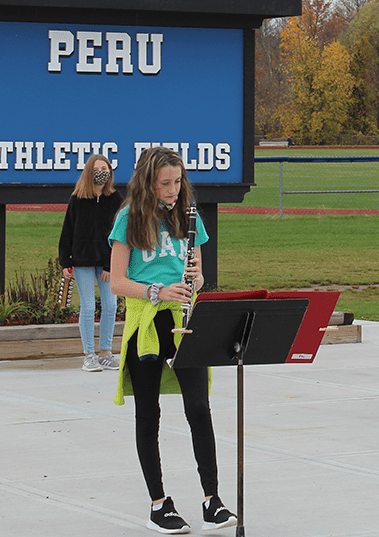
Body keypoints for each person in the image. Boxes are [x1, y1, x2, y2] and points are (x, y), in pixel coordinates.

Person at [109, 146, 237, 534]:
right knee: (149, 414)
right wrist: (156, 291)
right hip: (147, 324)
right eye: (165, 183)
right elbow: (116, 282)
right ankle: (158, 503)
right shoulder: (127, 218)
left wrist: (194, 280)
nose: (173, 189)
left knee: (199, 408)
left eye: (178, 181)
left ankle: (212, 499)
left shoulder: (188, 215)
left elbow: (197, 275)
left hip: (185, 323)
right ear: (148, 182)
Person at [58, 153, 123, 372]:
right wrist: (64, 261)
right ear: (88, 172)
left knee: (111, 305)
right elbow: (68, 229)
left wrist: (109, 265)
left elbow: (119, 234)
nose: (101, 174)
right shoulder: (77, 198)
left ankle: (105, 352)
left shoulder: (115, 200)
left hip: (107, 264)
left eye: (105, 169)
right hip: (82, 261)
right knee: (87, 307)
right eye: (96, 170)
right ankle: (89, 355)